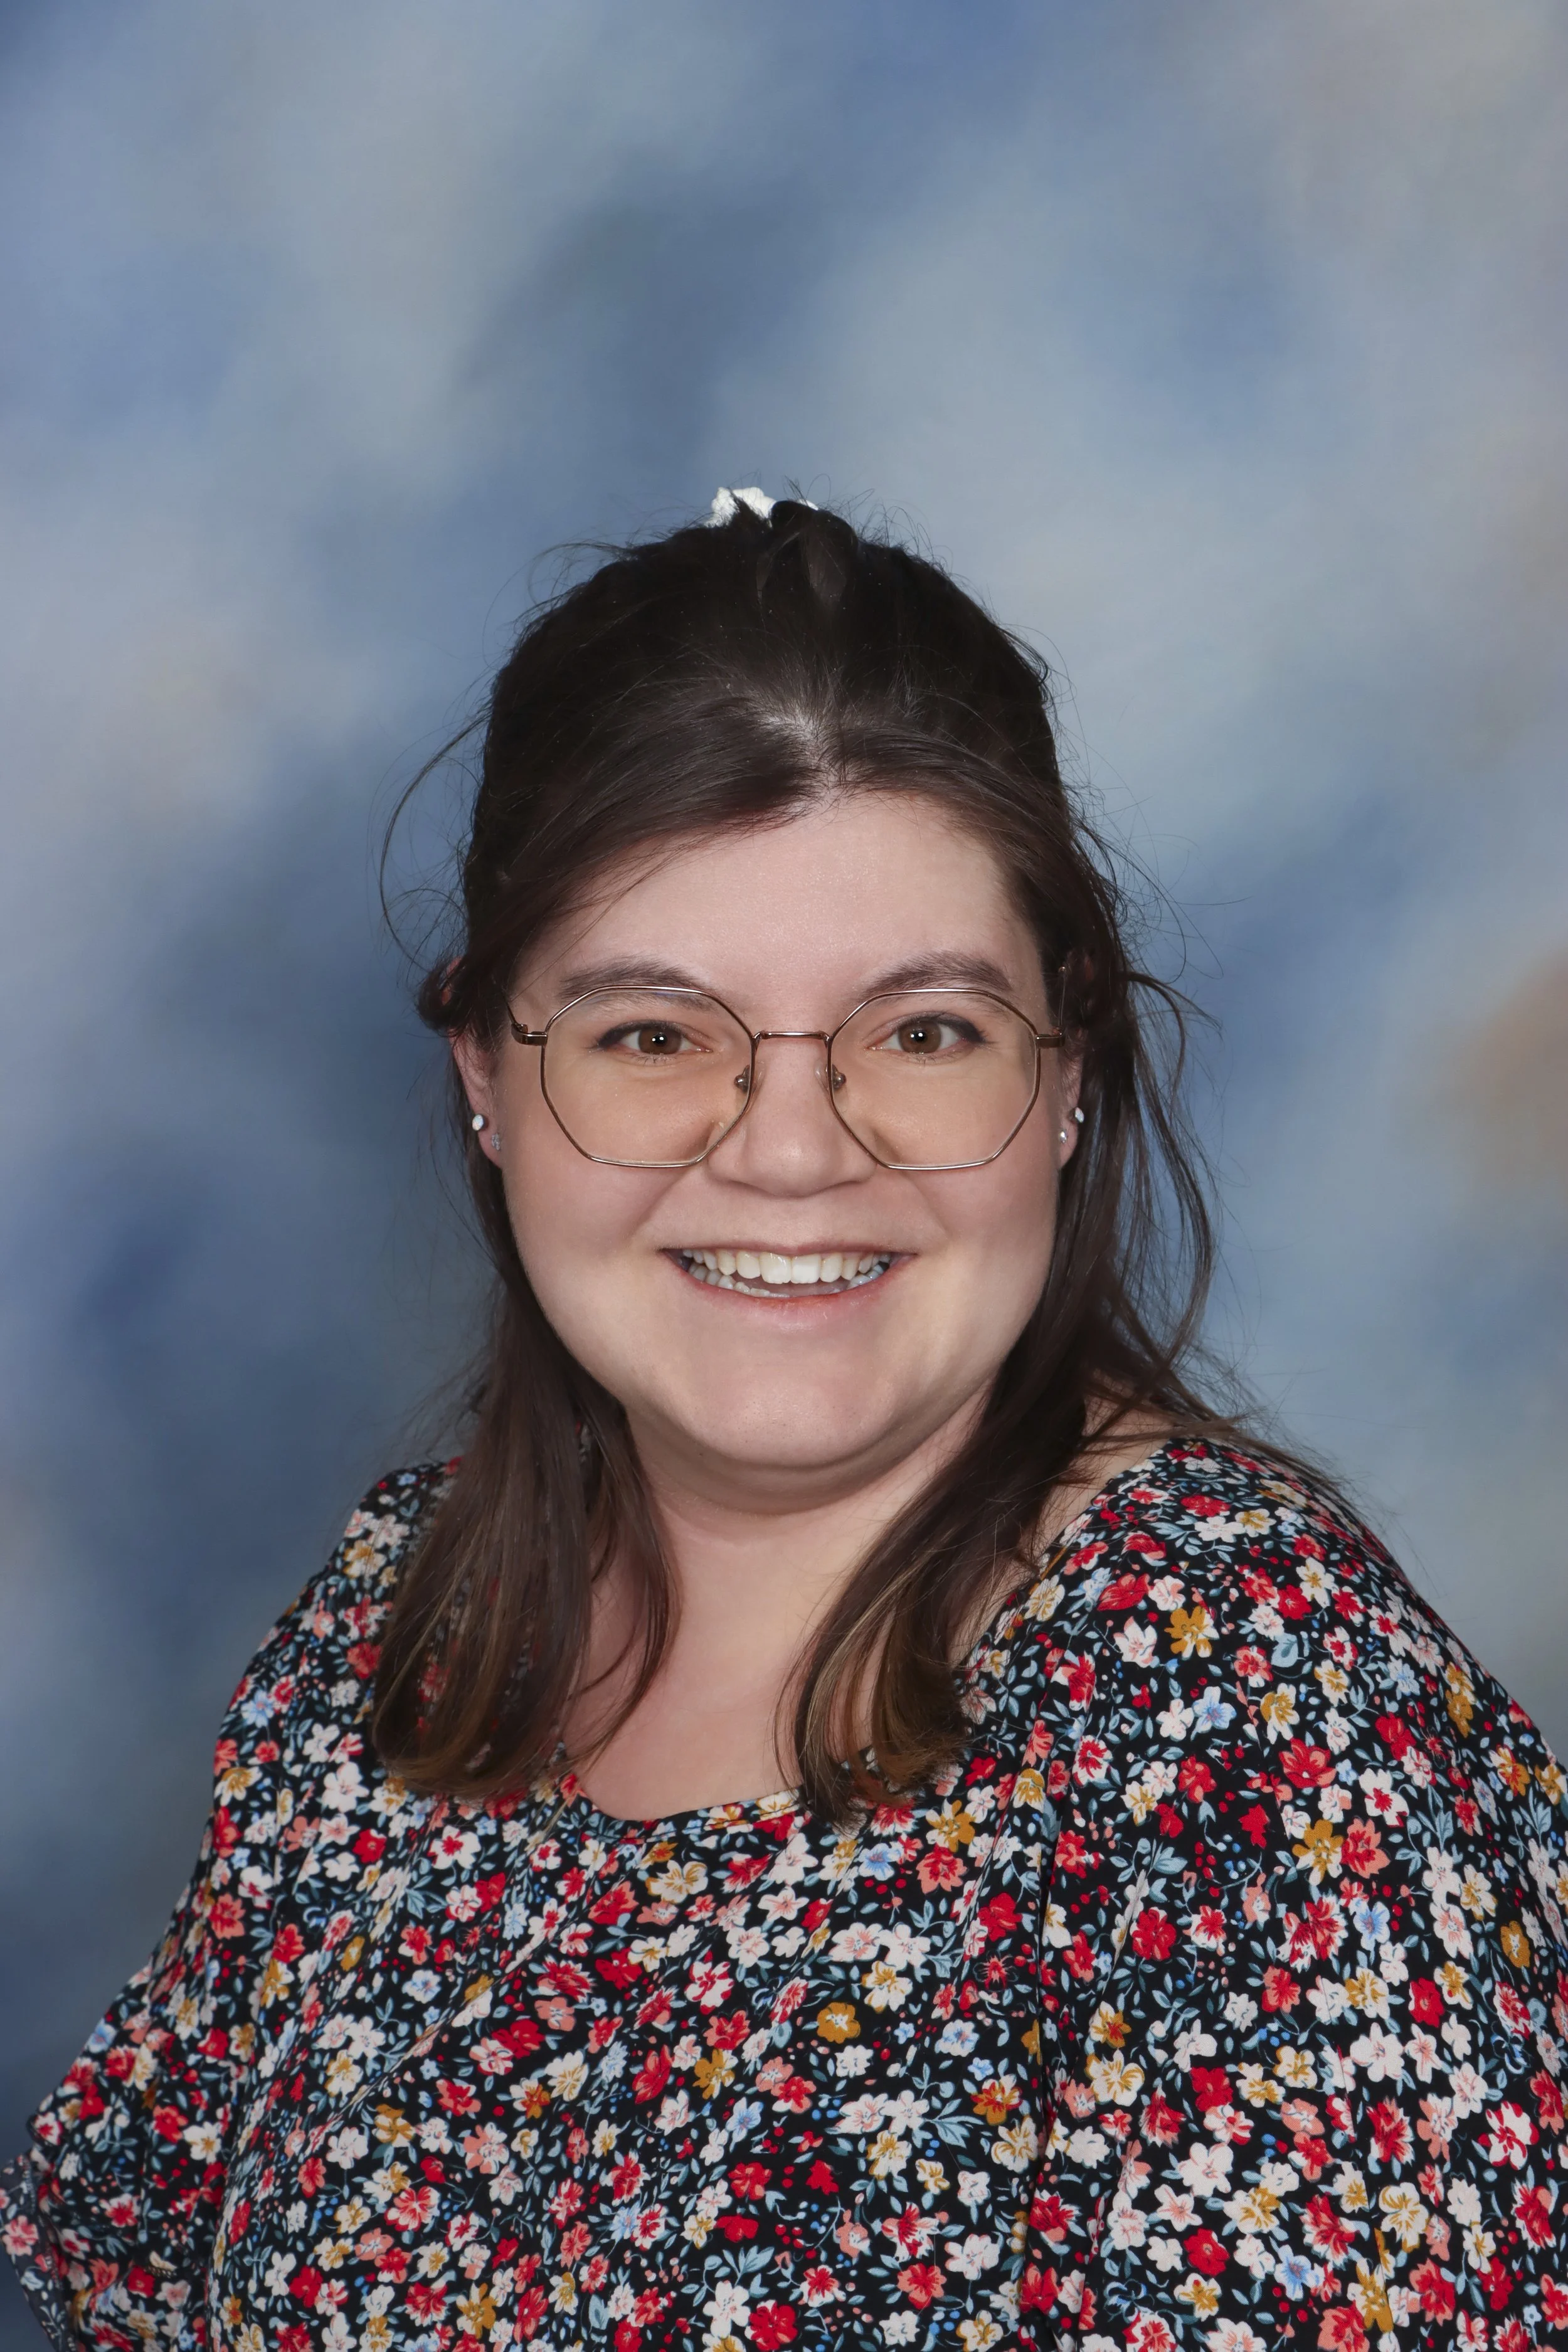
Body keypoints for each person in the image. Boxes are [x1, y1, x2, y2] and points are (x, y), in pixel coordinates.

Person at [4, 491, 1565, 2352]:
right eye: (652, 1033)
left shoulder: (1263, 1708)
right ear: (487, 1081)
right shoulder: (388, 1642)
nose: (795, 1150)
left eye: (923, 1031)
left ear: (1063, 1076)